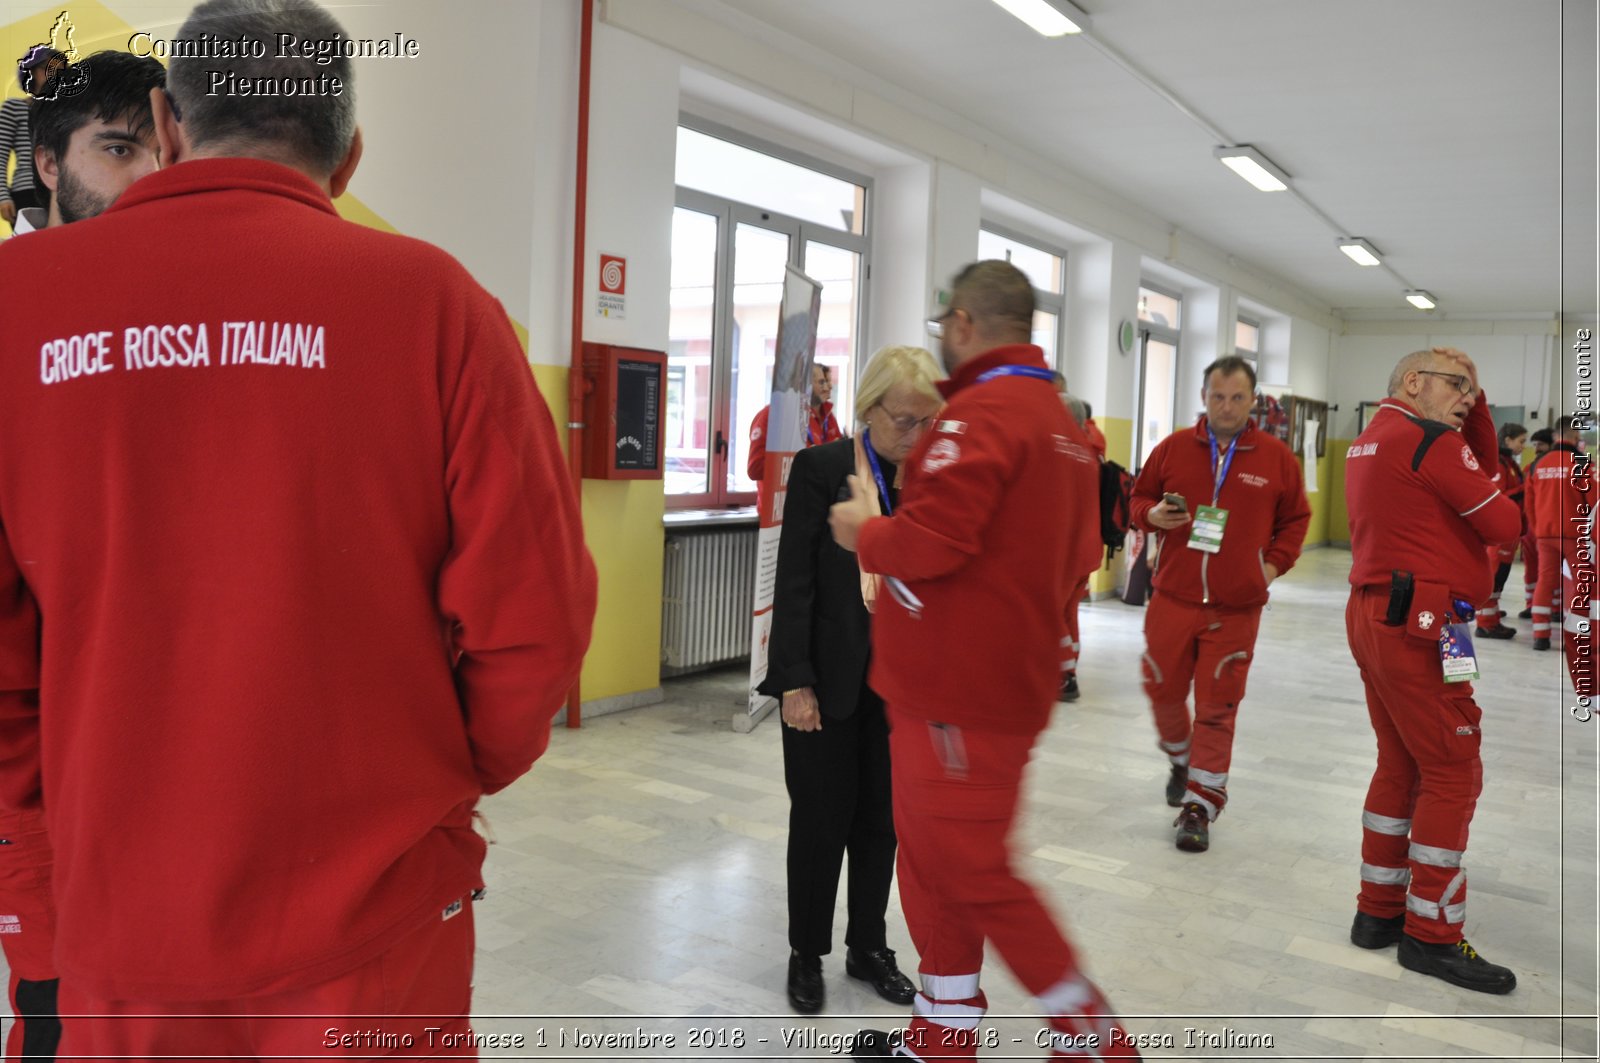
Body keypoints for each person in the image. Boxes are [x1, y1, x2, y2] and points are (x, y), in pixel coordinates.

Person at [0, 0, 597, 1055]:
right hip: (376, 927)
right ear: (351, 153)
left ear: (167, 125)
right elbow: (537, 624)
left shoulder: (16, 307)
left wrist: (58, 829)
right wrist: (437, 772)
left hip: (120, 925)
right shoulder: (443, 308)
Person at [830, 261, 1138, 1062]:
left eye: (944, 326)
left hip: (959, 694)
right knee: (935, 865)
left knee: (972, 870)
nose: (941, 341)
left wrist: (868, 529)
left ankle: (1096, 1038)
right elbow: (1072, 553)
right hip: (978, 684)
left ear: (966, 322)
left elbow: (933, 542)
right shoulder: (1062, 423)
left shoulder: (985, 414)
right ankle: (942, 1032)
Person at [0, 48, 165, 1062]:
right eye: (115, 149)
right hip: (46, 792)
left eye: (158, 148)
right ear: (50, 165)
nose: (144, 176)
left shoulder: (191, 310)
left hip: (183, 794)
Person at [757, 345, 941, 1015]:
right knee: (819, 820)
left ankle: (869, 944)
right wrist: (794, 681)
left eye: (929, 422)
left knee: (881, 823)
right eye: (905, 421)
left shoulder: (932, 480)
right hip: (828, 679)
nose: (917, 436)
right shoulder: (823, 468)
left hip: (901, 688)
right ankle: (807, 952)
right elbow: (796, 582)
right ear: (869, 410)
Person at [1343, 347, 1521, 994]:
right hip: (1426, 624)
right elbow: (1507, 520)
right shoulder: (1430, 441)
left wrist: (1470, 420)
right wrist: (1474, 436)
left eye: (1474, 392)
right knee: (1453, 766)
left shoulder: (1371, 438)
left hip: (1381, 614)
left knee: (1400, 762)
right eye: (1457, 385)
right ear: (1413, 382)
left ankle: (1378, 909)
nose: (1469, 399)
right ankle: (1432, 935)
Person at [1129, 356, 1310, 852]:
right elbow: (1137, 499)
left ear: (1253, 401)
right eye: (1216, 396)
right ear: (1203, 397)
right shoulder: (1172, 448)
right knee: (1161, 687)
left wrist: (1269, 567)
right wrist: (1152, 516)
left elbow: (1296, 520)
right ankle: (1182, 759)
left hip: (1235, 606)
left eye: (1236, 397)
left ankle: (1199, 806)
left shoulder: (1275, 458)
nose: (1225, 407)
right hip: (1172, 595)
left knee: (1217, 707)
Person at [1051, 372, 1104, 703]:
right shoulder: (1088, 449)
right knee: (1068, 614)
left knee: (1051, 613)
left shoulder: (1059, 451)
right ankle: (1068, 672)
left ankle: (1062, 676)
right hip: (1086, 548)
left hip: (1065, 551)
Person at [1525, 416, 1592, 651]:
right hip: (1576, 535)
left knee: (1545, 581)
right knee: (1577, 583)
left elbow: (1529, 504)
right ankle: (1572, 635)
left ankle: (1540, 635)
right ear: (1575, 437)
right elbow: (1595, 504)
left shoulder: (1538, 464)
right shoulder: (1582, 463)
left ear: (1556, 436)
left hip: (1544, 534)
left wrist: (1537, 530)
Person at [749, 362, 845, 503]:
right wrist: (803, 460)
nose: (828, 387)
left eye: (826, 381)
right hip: (779, 512)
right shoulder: (772, 414)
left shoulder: (821, 417)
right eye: (821, 382)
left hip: (812, 507)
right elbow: (755, 469)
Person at [1475, 422, 1528, 639]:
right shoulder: (1498, 464)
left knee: (1500, 578)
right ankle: (1485, 623)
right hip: (1498, 533)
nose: (1523, 446)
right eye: (1521, 441)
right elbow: (1498, 497)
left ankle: (1492, 618)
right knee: (1493, 577)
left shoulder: (1509, 463)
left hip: (1509, 532)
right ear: (1507, 440)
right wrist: (1527, 487)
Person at [1519, 427, 1556, 618]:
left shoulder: (1550, 467)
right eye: (1534, 445)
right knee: (1531, 569)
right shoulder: (1530, 467)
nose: (1536, 449)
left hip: (1547, 528)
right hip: (1530, 529)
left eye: (1540, 444)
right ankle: (1530, 604)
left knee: (1550, 571)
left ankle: (1555, 607)